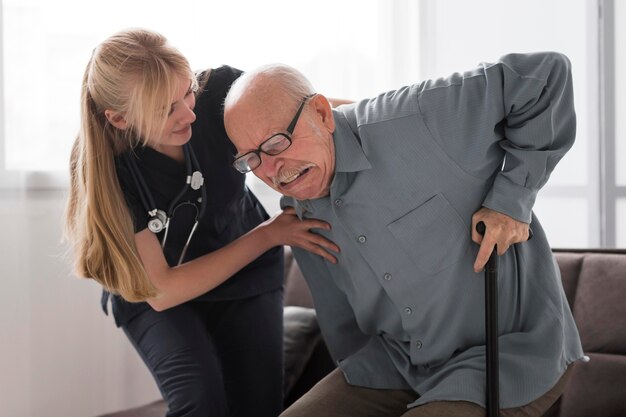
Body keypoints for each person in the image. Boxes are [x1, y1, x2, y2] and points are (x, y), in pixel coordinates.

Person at [223, 53, 585, 417]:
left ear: (321, 112)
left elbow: (543, 76)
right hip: (395, 365)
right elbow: (341, 322)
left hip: (510, 355)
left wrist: (512, 201)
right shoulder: (299, 209)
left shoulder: (418, 118)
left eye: (275, 143)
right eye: (251, 159)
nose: (270, 170)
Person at [64, 28, 339, 417]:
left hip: (246, 277)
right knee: (200, 398)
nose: (189, 113)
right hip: (156, 291)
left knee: (258, 406)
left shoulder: (221, 94)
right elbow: (162, 291)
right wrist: (269, 235)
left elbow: (310, 114)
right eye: (165, 109)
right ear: (120, 119)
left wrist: (386, 119)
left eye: (187, 92)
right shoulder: (106, 171)